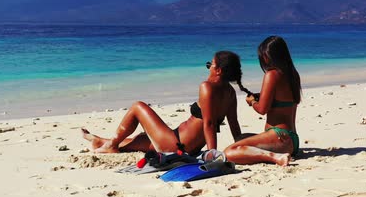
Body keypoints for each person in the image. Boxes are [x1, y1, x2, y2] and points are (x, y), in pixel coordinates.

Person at [82, 51, 250, 156]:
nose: (208, 68)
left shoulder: (207, 87)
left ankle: (110, 145)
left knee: (137, 107)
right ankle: (100, 141)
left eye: (210, 65)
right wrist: (242, 145)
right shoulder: (230, 93)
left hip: (176, 143)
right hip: (187, 146)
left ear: (218, 70)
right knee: (141, 139)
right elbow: (234, 127)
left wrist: (212, 153)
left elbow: (209, 123)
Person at [224, 36, 302, 166]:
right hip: (292, 139)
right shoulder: (293, 74)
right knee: (241, 139)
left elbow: (262, 109)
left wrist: (252, 102)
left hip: (279, 136)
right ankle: (277, 155)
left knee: (229, 152)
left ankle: (275, 157)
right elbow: (284, 100)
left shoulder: (272, 74)